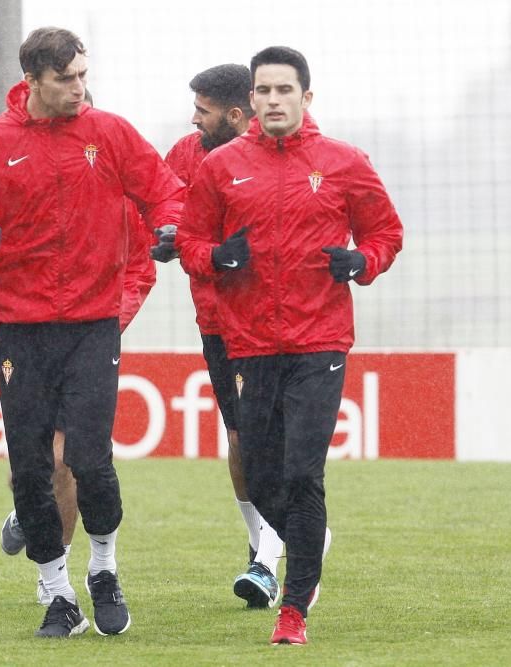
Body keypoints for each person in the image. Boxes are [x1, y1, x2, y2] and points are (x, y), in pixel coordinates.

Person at [0, 27, 184, 638]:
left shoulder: (110, 133)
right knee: (28, 470)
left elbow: (166, 193)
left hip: (93, 325)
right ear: (34, 79)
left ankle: (103, 569)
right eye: (66, 78)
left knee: (91, 462)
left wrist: (173, 230)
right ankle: (57, 595)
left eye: (82, 75)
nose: (80, 87)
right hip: (21, 330)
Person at [176, 46, 403, 645]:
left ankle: (294, 611)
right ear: (250, 100)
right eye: (264, 91)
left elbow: (386, 232)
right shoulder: (221, 166)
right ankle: (309, 541)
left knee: (303, 474)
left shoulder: (344, 162)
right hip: (247, 343)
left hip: (319, 341)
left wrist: (363, 261)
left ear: (306, 97)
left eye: (285, 90)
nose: (274, 100)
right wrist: (215, 257)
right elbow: (193, 241)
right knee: (261, 474)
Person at [0, 169, 156, 606]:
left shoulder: (112, 190)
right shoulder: (11, 180)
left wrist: (105, 325)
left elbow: (139, 267)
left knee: (68, 461)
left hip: (88, 342)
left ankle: (58, 580)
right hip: (24, 342)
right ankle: (32, 520)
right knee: (32, 471)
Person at [159, 64, 287, 611]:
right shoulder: (187, 154)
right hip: (216, 324)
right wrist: (166, 238)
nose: (193, 119)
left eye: (203, 110)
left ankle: (271, 559)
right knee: (240, 440)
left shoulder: (288, 153)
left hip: (277, 326)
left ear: (236, 114)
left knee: (274, 443)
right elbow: (160, 210)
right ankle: (262, 547)